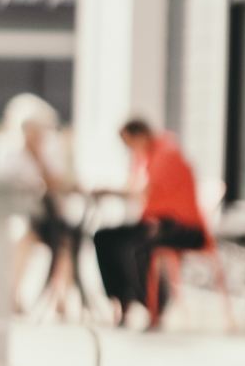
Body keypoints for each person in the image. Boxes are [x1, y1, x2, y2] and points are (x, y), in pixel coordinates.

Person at [89, 117, 208, 329]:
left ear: (140, 135)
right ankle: (121, 301)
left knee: (136, 248)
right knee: (104, 238)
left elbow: (144, 189)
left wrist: (109, 190)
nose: (128, 149)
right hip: (157, 223)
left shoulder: (166, 153)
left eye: (129, 143)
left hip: (183, 227)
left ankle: (155, 305)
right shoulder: (142, 156)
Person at [0, 93, 80, 319]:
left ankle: (61, 299)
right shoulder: (10, 153)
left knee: (65, 243)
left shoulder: (50, 151)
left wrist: (39, 159)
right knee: (22, 237)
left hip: (50, 215)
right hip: (22, 216)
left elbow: (56, 183)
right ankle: (13, 296)